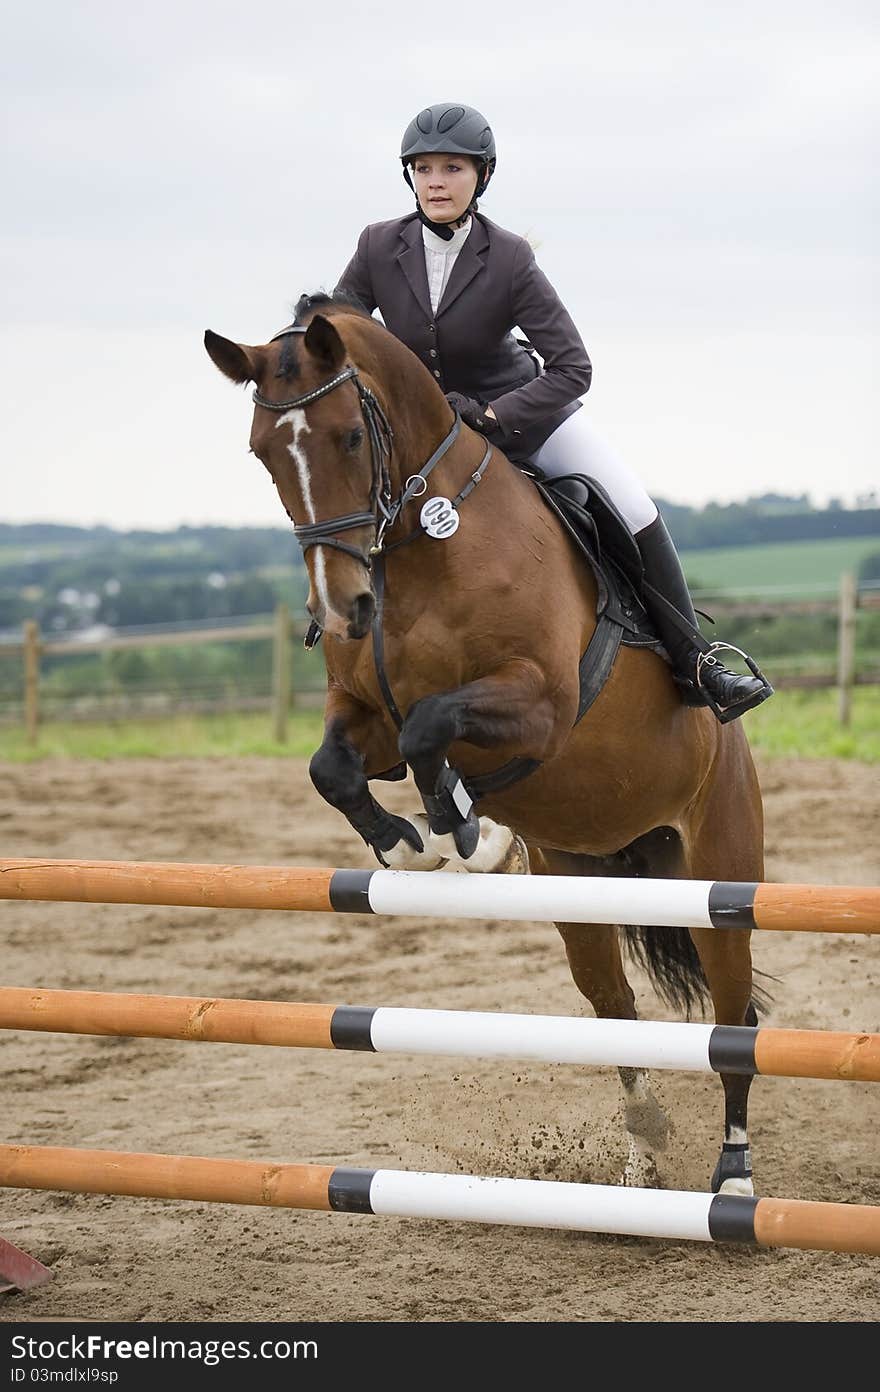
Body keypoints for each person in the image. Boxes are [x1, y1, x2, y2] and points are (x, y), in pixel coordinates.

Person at [334, 102, 773, 723]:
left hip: (521, 422)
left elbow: (573, 368)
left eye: (452, 168)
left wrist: (488, 416)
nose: (436, 181)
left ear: (480, 177)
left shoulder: (509, 257)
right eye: (424, 168)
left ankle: (696, 659)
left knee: (630, 502)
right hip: (425, 443)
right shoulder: (379, 245)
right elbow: (340, 327)